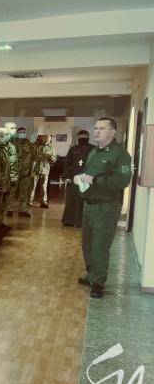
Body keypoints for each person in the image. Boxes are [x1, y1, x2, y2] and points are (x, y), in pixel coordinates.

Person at [75, 117, 132, 298]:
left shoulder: (120, 154)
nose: (97, 131)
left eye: (102, 128)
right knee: (87, 244)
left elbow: (122, 181)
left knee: (100, 245)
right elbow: (88, 172)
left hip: (106, 207)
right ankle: (91, 274)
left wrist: (95, 180)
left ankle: (98, 283)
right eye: (96, 128)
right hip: (89, 205)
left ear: (112, 132)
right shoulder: (94, 152)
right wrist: (79, 177)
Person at [62, 130, 95, 227]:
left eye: (85, 136)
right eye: (80, 136)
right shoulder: (73, 149)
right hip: (74, 178)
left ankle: (84, 222)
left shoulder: (94, 149)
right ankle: (69, 220)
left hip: (87, 178)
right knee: (71, 200)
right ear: (78, 138)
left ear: (88, 137)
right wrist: (67, 177)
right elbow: (66, 164)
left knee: (85, 201)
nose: (82, 138)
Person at [7, 127, 37, 218]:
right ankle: (9, 209)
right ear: (17, 133)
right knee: (12, 191)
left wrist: (33, 171)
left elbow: (34, 159)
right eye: (20, 132)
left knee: (24, 192)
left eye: (24, 132)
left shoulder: (30, 144)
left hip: (26, 173)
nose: (22, 134)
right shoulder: (12, 143)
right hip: (14, 172)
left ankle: (23, 210)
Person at [30, 134, 57, 208]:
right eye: (44, 140)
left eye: (47, 141)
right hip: (35, 169)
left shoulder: (51, 148)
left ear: (50, 141)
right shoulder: (35, 146)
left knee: (43, 186)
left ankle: (43, 202)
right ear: (42, 139)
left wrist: (52, 158)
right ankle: (29, 201)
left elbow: (54, 159)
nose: (46, 142)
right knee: (32, 186)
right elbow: (31, 156)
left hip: (45, 170)